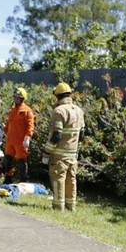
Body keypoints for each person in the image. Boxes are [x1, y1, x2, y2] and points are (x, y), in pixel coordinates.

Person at [42, 82, 85, 211]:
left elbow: (56, 136)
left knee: (58, 179)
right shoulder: (79, 110)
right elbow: (82, 134)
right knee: (71, 180)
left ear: (57, 96)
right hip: (73, 154)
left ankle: (58, 207)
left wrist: (46, 153)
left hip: (59, 155)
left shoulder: (59, 111)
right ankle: (71, 206)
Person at [3, 87, 34, 183]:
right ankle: (8, 178)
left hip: (21, 141)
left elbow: (30, 126)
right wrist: (4, 130)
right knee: (8, 160)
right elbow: (9, 123)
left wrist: (28, 137)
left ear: (22, 99)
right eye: (15, 97)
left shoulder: (27, 111)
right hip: (10, 140)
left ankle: (24, 180)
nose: (15, 99)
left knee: (21, 162)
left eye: (17, 97)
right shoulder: (12, 110)